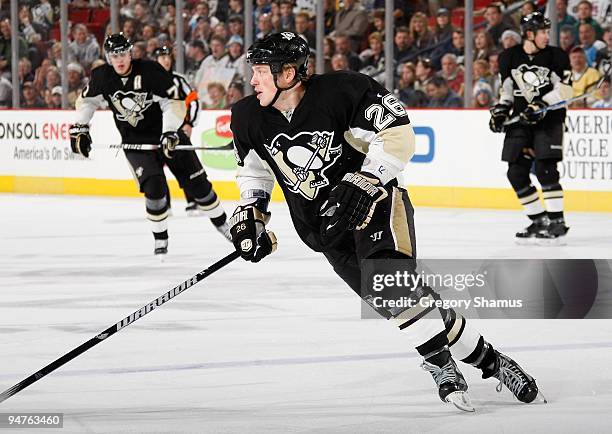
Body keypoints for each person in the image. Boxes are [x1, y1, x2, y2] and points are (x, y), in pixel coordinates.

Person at [229, 31, 542, 412]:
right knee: (410, 304)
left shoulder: (345, 90)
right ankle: (495, 364)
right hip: (325, 230)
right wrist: (251, 214)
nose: (252, 79)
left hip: (376, 202)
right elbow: (255, 173)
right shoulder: (248, 115)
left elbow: (397, 132)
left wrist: (366, 178)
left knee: (393, 286)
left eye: (261, 71)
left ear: (289, 72)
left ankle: (441, 366)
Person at [69, 33, 230, 256]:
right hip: (136, 143)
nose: (120, 59)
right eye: (114, 55)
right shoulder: (102, 76)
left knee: (200, 188)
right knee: (154, 189)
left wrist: (170, 132)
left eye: (123, 53)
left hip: (168, 136)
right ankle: (160, 242)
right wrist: (81, 127)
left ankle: (226, 227)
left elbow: (172, 101)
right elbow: (87, 101)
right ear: (108, 57)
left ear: (130, 52)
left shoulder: (150, 70)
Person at [489, 12, 572, 242]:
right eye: (543, 32)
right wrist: (501, 111)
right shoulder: (509, 57)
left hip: (550, 119)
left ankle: (557, 221)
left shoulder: (556, 56)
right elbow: (507, 91)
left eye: (547, 31)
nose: (547, 36)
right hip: (522, 121)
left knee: (546, 169)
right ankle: (538, 220)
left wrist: (541, 104)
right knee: (515, 172)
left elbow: (566, 91)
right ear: (529, 34)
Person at [154, 44, 220, 216]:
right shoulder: (148, 81)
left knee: (185, 166)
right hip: (155, 132)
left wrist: (189, 123)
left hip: (176, 131)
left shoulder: (178, 80)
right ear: (156, 60)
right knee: (155, 170)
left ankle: (193, 200)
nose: (166, 60)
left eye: (168, 57)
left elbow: (194, 100)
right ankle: (164, 205)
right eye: (162, 57)